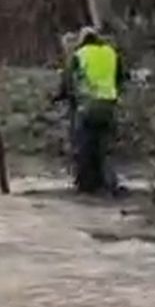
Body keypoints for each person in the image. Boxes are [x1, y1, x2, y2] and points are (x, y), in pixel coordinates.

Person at [58, 26, 123, 197]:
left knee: (84, 145)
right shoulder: (111, 53)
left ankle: (86, 186)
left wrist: (61, 96)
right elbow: (120, 78)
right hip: (109, 105)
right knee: (105, 146)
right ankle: (109, 184)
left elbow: (68, 82)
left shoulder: (80, 55)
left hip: (87, 105)